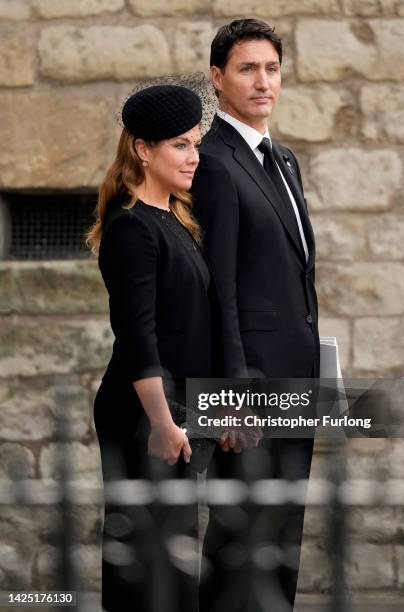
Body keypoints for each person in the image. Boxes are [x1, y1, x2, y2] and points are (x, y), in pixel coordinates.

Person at [190, 19, 320, 611]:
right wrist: (233, 396)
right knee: (242, 538)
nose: (262, 81)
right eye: (247, 69)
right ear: (218, 79)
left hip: (296, 382)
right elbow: (219, 289)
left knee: (280, 539)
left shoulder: (283, 158)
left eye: (271, 68)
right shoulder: (213, 162)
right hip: (250, 391)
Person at [86, 84, 222, 612]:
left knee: (172, 559)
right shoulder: (132, 228)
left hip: (180, 408)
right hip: (145, 413)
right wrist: (163, 422)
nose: (194, 157)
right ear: (143, 150)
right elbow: (138, 335)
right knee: (146, 563)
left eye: (196, 144)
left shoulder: (175, 219)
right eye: (181, 146)